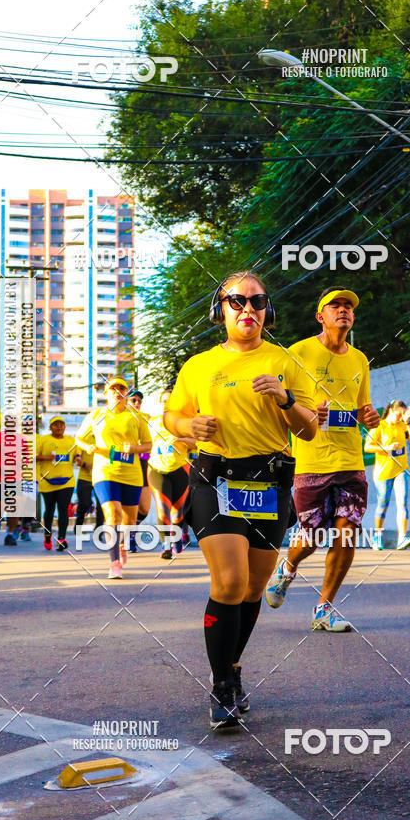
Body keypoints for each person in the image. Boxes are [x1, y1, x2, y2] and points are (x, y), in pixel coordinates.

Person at [164, 270, 317, 729]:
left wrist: (286, 398)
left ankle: (230, 667)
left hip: (269, 484)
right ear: (220, 311)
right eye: (236, 301)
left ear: (268, 310)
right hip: (216, 480)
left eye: (257, 301)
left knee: (252, 587)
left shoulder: (286, 361)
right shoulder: (198, 365)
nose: (247, 308)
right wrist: (188, 428)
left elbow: (309, 428)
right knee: (229, 582)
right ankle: (221, 685)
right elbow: (172, 415)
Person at [265, 286, 380, 632]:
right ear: (321, 316)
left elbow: (362, 409)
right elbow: (282, 406)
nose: (343, 310)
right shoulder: (297, 354)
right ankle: (288, 568)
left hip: (350, 461)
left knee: (347, 533)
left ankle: (324, 608)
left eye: (348, 306)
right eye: (335, 306)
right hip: (311, 461)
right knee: (311, 536)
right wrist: (305, 411)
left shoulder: (359, 359)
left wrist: (370, 416)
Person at [75, 376, 151, 579]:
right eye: (113, 389)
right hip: (104, 471)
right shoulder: (97, 415)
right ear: (106, 393)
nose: (117, 392)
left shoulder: (136, 417)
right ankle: (114, 562)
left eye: (122, 389)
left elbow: (148, 444)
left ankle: (123, 543)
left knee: (130, 520)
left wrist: (135, 448)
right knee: (112, 512)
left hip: (131, 472)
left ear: (126, 393)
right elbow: (79, 438)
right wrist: (87, 446)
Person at [364, 400, 410, 550]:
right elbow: (367, 447)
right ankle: (377, 536)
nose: (400, 417)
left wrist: (408, 423)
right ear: (390, 411)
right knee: (383, 505)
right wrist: (386, 448)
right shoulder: (380, 427)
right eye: (399, 414)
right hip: (383, 473)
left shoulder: (402, 425)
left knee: (403, 502)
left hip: (401, 470)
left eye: (403, 414)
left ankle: (402, 538)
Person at [147, 388, 196, 559]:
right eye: (163, 400)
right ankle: (166, 546)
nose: (166, 403)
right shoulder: (151, 422)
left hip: (181, 469)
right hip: (157, 469)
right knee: (163, 510)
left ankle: (178, 536)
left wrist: (182, 440)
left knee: (178, 513)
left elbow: (198, 443)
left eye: (170, 400)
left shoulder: (184, 423)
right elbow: (143, 442)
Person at [36, 416, 77, 551]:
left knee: (63, 509)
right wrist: (46, 457)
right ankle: (47, 535)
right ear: (50, 427)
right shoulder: (43, 440)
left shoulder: (71, 440)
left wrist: (78, 459)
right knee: (49, 510)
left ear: (65, 427)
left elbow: (77, 454)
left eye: (61, 425)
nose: (59, 427)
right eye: (55, 425)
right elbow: (32, 457)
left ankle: (61, 538)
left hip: (67, 481)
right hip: (47, 482)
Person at [128, 389, 151, 553]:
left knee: (144, 508)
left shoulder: (146, 418)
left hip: (144, 464)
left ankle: (131, 529)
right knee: (127, 505)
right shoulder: (119, 418)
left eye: (139, 401)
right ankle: (128, 537)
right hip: (126, 463)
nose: (137, 403)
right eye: (133, 400)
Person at [74, 446, 105, 532]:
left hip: (101, 477)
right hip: (85, 478)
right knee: (84, 504)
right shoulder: (85, 436)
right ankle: (78, 527)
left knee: (101, 505)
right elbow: (77, 458)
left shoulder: (106, 435)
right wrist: (83, 464)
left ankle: (99, 531)